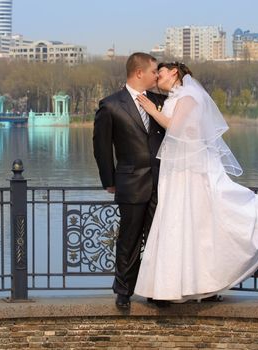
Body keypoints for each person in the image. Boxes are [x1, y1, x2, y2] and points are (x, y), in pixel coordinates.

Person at [134, 62, 258, 303]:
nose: (157, 76)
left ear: (174, 72)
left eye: (160, 72)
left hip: (189, 169)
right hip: (180, 168)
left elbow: (175, 126)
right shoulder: (179, 96)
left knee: (193, 221)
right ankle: (185, 287)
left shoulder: (189, 95)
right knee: (186, 225)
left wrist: (151, 109)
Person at [93, 53, 167, 309]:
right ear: (139, 73)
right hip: (131, 183)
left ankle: (156, 291)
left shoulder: (161, 101)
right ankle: (123, 291)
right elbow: (101, 148)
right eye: (154, 71)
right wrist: (108, 181)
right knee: (129, 239)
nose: (156, 76)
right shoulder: (111, 105)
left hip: (161, 182)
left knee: (158, 239)